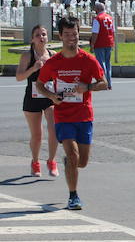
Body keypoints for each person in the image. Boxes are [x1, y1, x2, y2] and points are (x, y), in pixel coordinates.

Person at [37, 17, 107, 210]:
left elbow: (104, 83)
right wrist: (52, 96)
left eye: (74, 34)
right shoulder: (53, 62)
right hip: (63, 115)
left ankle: (70, 163)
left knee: (81, 162)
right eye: (67, 35)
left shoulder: (88, 60)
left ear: (78, 34)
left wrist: (88, 86)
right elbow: (40, 85)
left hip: (84, 115)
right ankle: (73, 196)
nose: (71, 38)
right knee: (73, 152)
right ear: (60, 36)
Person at [16, 24, 59, 177]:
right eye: (38, 35)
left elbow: (60, 76)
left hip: (49, 96)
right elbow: (19, 77)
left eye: (44, 34)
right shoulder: (27, 56)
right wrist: (33, 69)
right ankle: (35, 162)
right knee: (37, 134)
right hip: (32, 97)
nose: (41, 37)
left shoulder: (53, 55)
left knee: (54, 130)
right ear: (32, 39)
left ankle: (52, 161)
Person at [89, 2, 115, 89]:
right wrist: (113, 42)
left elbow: (95, 33)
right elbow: (113, 31)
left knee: (101, 63)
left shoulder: (97, 19)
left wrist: (92, 44)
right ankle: (109, 83)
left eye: (95, 9)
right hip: (109, 43)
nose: (94, 10)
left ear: (98, 9)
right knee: (108, 64)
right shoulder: (110, 18)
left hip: (100, 43)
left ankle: (104, 83)